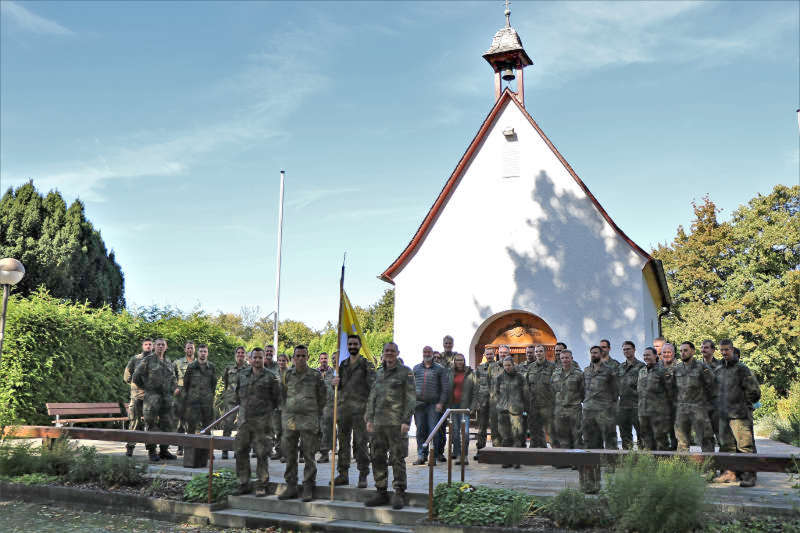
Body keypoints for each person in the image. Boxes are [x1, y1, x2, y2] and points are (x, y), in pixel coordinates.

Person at [365, 342, 415, 509]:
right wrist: (369, 418)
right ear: (383, 353)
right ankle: (381, 491)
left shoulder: (405, 372)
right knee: (377, 457)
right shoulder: (379, 373)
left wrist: (406, 421)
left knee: (397, 458)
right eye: (387, 350)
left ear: (397, 352)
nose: (389, 353)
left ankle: (399, 492)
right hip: (378, 423)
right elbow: (372, 397)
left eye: (392, 351)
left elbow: (410, 398)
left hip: (396, 424)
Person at [278, 345, 326, 502]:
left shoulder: (315, 375)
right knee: (290, 454)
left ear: (308, 357)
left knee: (309, 454)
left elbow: (322, 397)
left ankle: (308, 487)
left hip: (309, 420)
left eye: (303, 356)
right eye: (297, 356)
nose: (300, 358)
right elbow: (282, 396)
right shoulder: (287, 375)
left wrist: (313, 412)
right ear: (293, 358)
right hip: (290, 421)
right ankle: (291, 486)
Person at [232, 347, 280, 497]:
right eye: (255, 357)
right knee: (240, 451)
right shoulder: (242, 375)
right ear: (250, 358)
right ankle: (243, 483)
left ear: (264, 358)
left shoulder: (271, 377)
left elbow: (277, 399)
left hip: (263, 423)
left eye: (260, 357)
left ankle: (261, 485)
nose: (257, 360)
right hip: (245, 421)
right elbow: (237, 396)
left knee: (261, 453)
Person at [713, 339, 760, 487]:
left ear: (732, 350)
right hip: (723, 415)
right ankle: (729, 473)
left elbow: (754, 392)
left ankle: (749, 476)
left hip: (740, 415)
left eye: (727, 349)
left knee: (745, 446)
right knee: (726, 446)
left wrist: (743, 405)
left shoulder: (742, 369)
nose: (724, 352)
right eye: (722, 350)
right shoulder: (718, 369)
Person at [332, 334, 375, 488]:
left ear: (359, 345)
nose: (352, 346)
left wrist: (370, 412)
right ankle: (343, 474)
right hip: (344, 411)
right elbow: (339, 387)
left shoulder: (366, 365)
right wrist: (334, 383)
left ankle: (363, 474)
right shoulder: (342, 365)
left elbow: (373, 389)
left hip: (360, 411)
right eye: (350, 344)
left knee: (361, 444)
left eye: (354, 344)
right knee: (342, 444)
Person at [132, 338, 177, 462]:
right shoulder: (148, 360)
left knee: (167, 424)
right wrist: (146, 387)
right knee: (151, 425)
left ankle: (164, 450)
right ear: (154, 347)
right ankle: (152, 452)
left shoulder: (168, 362)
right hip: (152, 398)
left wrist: (174, 388)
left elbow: (173, 378)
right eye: (158, 345)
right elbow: (136, 376)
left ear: (166, 347)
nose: (161, 347)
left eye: (163, 345)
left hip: (167, 398)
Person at [581, 345, 619, 493]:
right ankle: (593, 468)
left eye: (596, 353)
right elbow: (582, 389)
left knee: (609, 439)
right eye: (591, 353)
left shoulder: (609, 371)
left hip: (604, 411)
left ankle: (611, 466)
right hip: (589, 411)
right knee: (591, 442)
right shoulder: (586, 370)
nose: (593, 355)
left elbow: (616, 391)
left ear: (601, 354)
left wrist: (609, 406)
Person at [668, 341, 715, 452]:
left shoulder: (702, 367)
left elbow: (713, 386)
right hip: (681, 411)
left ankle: (709, 468)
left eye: (685, 350)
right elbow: (672, 389)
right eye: (681, 351)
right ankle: (683, 468)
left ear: (693, 351)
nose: (682, 353)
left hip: (699, 410)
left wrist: (707, 405)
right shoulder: (676, 369)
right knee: (682, 442)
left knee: (706, 440)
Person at [412, 346, 449, 465]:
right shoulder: (416, 368)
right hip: (419, 405)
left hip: (434, 405)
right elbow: (411, 387)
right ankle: (421, 456)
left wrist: (441, 403)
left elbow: (445, 388)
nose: (426, 354)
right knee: (420, 431)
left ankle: (434, 455)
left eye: (429, 352)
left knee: (434, 431)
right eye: (425, 352)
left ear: (432, 354)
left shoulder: (440, 369)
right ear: (422, 353)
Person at [495, 356, 529, 468]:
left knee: (517, 437)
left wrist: (525, 408)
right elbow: (496, 393)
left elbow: (526, 394)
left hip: (516, 411)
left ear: (513, 365)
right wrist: (500, 405)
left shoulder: (520, 378)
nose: (507, 367)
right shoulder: (499, 378)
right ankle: (506, 460)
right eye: (505, 365)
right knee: (505, 437)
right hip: (503, 411)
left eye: (509, 365)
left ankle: (516, 460)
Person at [637, 347, 672, 451]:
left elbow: (670, 391)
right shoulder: (642, 371)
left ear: (655, 356)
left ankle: (663, 465)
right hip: (643, 412)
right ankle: (650, 465)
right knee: (647, 441)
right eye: (644, 355)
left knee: (661, 441)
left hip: (658, 413)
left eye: (648, 355)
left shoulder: (663, 370)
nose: (646, 357)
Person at [123, 338, 152, 457]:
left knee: (151, 424)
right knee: (134, 422)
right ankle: (130, 447)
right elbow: (126, 376)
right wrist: (136, 385)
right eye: (146, 344)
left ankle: (152, 450)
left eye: (150, 344)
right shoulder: (135, 359)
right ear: (142, 346)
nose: (148, 346)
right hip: (136, 397)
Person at [551, 349, 584, 450]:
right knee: (562, 437)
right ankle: (564, 461)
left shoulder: (579, 374)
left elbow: (583, 391)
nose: (565, 360)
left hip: (574, 409)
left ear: (571, 358)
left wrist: (576, 401)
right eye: (562, 358)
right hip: (559, 410)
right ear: (560, 359)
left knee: (576, 436)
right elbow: (552, 390)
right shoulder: (555, 374)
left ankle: (577, 463)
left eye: (567, 358)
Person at [183, 344, 217, 436]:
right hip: (193, 402)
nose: (203, 353)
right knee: (191, 427)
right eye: (201, 351)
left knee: (207, 427)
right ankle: (189, 449)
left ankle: (205, 450)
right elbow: (186, 384)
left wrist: (210, 396)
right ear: (198, 353)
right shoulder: (191, 367)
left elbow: (214, 384)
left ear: (207, 353)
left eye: (205, 351)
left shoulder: (212, 367)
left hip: (207, 402)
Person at [448, 353, 476, 464]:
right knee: (455, 432)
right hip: (453, 407)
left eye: (462, 360)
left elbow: (475, 391)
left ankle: (465, 456)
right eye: (457, 360)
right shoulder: (450, 373)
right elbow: (447, 389)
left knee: (465, 432)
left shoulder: (470, 373)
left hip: (465, 407)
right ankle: (459, 455)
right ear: (454, 361)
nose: (460, 362)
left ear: (464, 361)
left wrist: (473, 407)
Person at [526, 344, 555, 448]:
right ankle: (535, 455)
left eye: (541, 351)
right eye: (537, 351)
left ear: (545, 352)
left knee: (551, 433)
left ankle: (558, 458)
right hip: (533, 404)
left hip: (548, 404)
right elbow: (527, 385)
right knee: (534, 431)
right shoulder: (530, 367)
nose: (538, 353)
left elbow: (556, 385)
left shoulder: (552, 367)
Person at [220, 347, 247, 459]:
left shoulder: (249, 368)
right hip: (230, 400)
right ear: (235, 354)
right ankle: (225, 450)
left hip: (243, 401)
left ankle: (238, 450)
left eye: (242, 353)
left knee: (241, 426)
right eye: (238, 353)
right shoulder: (229, 367)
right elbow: (224, 382)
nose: (240, 355)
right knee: (228, 424)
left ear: (245, 355)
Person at [617, 341, 644, 450]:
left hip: (637, 406)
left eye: (628, 349)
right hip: (623, 406)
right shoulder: (620, 367)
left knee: (641, 435)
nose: (626, 351)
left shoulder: (641, 366)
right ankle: (628, 460)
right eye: (624, 349)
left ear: (634, 350)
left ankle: (643, 460)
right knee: (625, 435)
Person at [172, 341, 196, 456]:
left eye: (191, 348)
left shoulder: (199, 363)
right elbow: (171, 376)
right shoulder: (178, 362)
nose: (190, 350)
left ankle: (190, 447)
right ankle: (180, 447)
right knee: (180, 423)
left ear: (194, 350)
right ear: (185, 349)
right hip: (181, 395)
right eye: (188, 348)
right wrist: (174, 387)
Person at [473, 346, 497, 459]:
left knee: (495, 428)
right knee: (481, 428)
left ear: (494, 354)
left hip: (495, 402)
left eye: (491, 354)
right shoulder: (480, 368)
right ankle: (480, 451)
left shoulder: (499, 367)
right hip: (483, 402)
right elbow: (476, 386)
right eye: (487, 354)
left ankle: (497, 451)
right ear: (484, 355)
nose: (489, 356)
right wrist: (476, 401)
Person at [701, 339, 721, 446]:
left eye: (706, 347)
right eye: (702, 347)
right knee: (706, 440)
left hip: (718, 408)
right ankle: (708, 463)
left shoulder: (721, 365)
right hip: (703, 408)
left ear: (713, 350)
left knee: (723, 440)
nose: (703, 350)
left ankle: (726, 462)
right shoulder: (696, 366)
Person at [317, 352, 335, 463]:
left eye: (325, 358)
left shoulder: (333, 372)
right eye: (322, 358)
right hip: (318, 405)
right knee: (318, 429)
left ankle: (325, 453)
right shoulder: (315, 372)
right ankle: (321, 450)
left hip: (330, 405)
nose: (324, 360)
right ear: (319, 360)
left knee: (327, 430)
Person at [660, 343, 679, 450]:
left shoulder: (681, 367)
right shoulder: (655, 367)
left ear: (674, 353)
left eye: (669, 352)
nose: (666, 354)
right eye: (664, 352)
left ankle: (678, 462)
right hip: (659, 408)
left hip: (676, 408)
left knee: (676, 437)